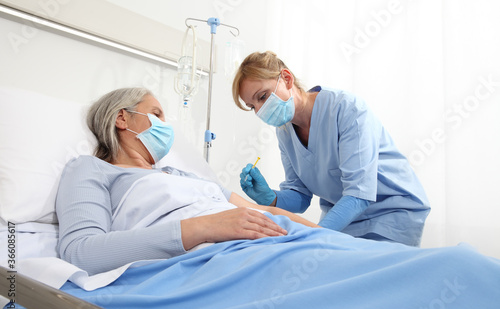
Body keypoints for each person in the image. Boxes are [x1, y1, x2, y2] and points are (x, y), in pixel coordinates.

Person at [56, 87, 318, 276]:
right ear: (122, 118)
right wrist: (203, 226)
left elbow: (265, 212)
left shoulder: (181, 175)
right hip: (224, 258)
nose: (165, 126)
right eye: (156, 114)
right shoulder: (92, 169)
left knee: (351, 256)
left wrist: (322, 232)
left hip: (281, 238)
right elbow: (81, 253)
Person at [233, 51, 430, 246]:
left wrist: (313, 236)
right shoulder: (284, 131)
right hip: (345, 220)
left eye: (263, 96)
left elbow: (359, 194)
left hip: (392, 213)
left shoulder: (347, 109)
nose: (260, 110)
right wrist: (271, 198)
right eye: (252, 106)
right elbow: (300, 196)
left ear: (286, 78)